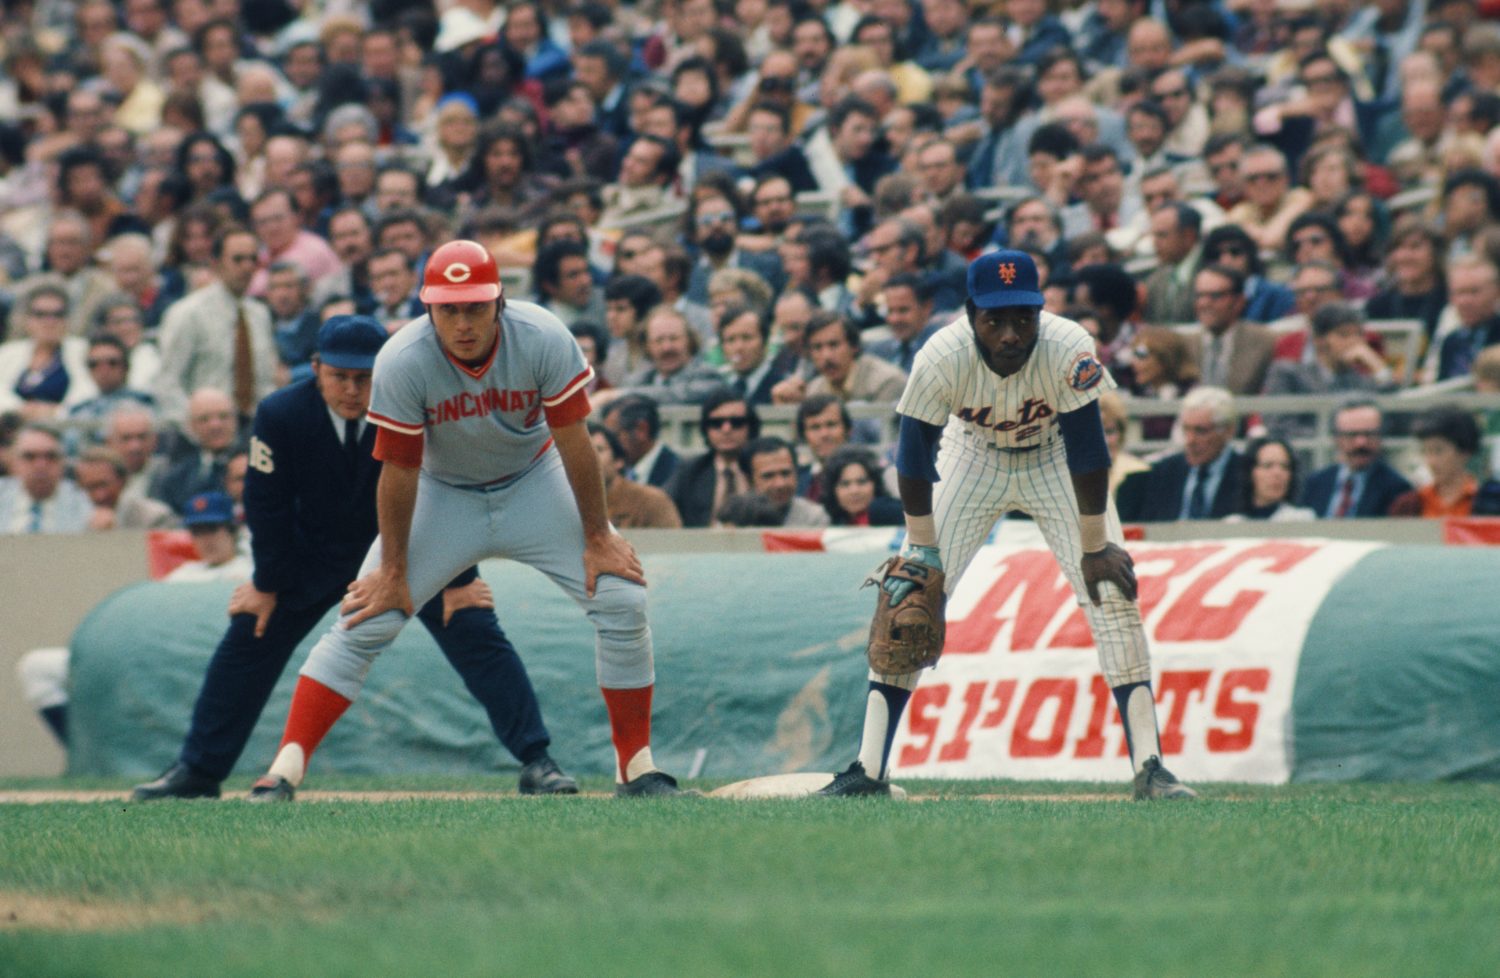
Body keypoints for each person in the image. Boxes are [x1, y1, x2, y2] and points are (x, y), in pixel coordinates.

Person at [242, 242, 685, 800]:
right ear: (428, 308)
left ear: (499, 301)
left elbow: (575, 441)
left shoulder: (543, 334)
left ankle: (635, 768)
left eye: (475, 306)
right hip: (442, 491)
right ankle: (284, 769)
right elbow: (399, 471)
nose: (463, 322)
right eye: (448, 309)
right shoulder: (403, 358)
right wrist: (396, 570)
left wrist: (597, 536)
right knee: (367, 615)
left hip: (533, 480)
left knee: (622, 597)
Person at [133, 314, 578, 801]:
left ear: (383, 372)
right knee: (249, 634)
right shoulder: (280, 414)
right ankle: (199, 769)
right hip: (312, 555)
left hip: (406, 549)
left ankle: (538, 760)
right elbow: (266, 504)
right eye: (339, 377)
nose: (351, 390)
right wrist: (267, 583)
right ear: (316, 367)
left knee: (472, 622)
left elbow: (453, 485)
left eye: (365, 378)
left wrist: (459, 576)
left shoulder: (418, 402)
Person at [820, 250, 1194, 799]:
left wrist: (1095, 546)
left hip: (1053, 457)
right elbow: (914, 457)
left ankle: (1152, 767)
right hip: (972, 458)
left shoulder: (1068, 346)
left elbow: (1090, 452)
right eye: (996, 319)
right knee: (907, 597)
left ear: (1041, 313)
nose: (1012, 333)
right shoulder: (941, 355)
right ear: (971, 315)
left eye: (1024, 317)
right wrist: (922, 552)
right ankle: (868, 769)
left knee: (1112, 591)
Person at [1115, 387, 1245, 523]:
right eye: (1186, 429)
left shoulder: (1249, 474)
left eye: (1200, 431)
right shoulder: (1160, 474)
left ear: (1229, 431)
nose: (1190, 440)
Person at [1299, 400, 1414, 518]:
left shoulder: (1397, 489)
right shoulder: (1315, 483)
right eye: (1352, 435)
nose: (1361, 443)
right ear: (1336, 438)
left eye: (1369, 434)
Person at [667, 388, 761, 528]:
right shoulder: (689, 472)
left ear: (751, 427)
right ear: (706, 428)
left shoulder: (764, 466)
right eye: (716, 423)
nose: (726, 429)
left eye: (736, 422)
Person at [1388, 408, 1489, 517]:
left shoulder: (1491, 502)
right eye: (1425, 451)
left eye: (1439, 451)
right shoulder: (1408, 505)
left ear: (1464, 452)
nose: (1431, 461)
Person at [589, 421, 682, 528]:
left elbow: (672, 543)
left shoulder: (652, 502)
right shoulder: (568, 507)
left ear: (618, 461)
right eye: (580, 452)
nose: (588, 458)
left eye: (598, 450)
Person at [0, 424, 91, 534]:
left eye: (50, 456)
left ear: (63, 462)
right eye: (29, 456)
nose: (41, 465)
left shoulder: (84, 501)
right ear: (13, 462)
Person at [737, 435, 830, 528]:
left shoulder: (813, 517)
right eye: (768, 476)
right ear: (749, 480)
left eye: (786, 473)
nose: (780, 484)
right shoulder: (736, 518)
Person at [1225, 437, 1316, 522]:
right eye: (1268, 466)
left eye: (1285, 466)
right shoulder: (1234, 522)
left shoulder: (1302, 519)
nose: (1277, 474)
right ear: (1250, 472)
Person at [600, 393, 680, 489]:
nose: (609, 445)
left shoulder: (677, 474)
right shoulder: (616, 472)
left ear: (641, 430)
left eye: (613, 436)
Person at [820, 447, 902, 526]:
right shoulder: (832, 521)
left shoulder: (886, 511)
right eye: (845, 484)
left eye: (862, 482)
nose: (854, 491)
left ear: (876, 484)